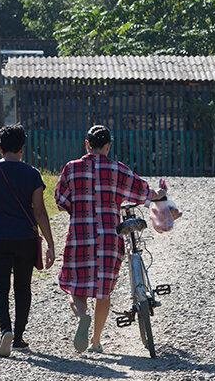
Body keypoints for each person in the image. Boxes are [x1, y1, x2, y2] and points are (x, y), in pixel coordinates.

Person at [54, 125, 160, 353]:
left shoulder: (71, 169)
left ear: (86, 144)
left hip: (79, 236)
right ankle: (96, 341)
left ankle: (83, 316)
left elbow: (61, 199)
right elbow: (141, 191)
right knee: (103, 291)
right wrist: (158, 195)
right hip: (109, 239)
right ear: (108, 146)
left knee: (76, 287)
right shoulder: (116, 169)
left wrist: (79, 208)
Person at [0, 124, 56, 357]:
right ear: (22, 148)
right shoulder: (32, 174)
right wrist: (50, 243)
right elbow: (40, 212)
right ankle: (18, 337)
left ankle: (5, 330)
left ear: (0, 147)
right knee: (23, 287)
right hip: (25, 239)